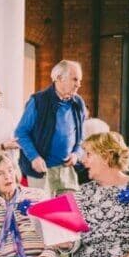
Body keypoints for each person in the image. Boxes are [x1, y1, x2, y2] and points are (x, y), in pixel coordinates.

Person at [15, 59, 87, 195]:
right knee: (42, 213)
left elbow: (82, 135)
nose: (78, 85)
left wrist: (77, 154)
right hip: (41, 170)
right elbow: (21, 133)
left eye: (80, 81)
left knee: (67, 212)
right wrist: (34, 157)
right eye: (75, 79)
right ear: (59, 78)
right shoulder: (38, 101)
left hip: (67, 169)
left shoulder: (78, 102)